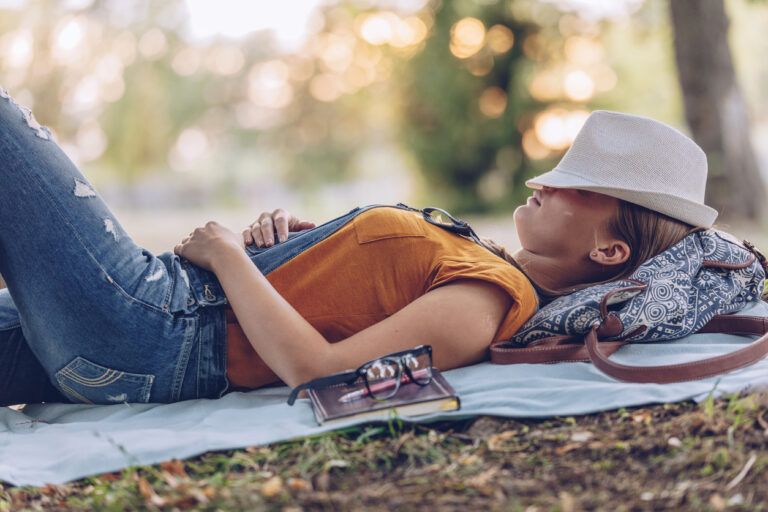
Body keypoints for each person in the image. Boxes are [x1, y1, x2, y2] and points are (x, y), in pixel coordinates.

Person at [0, 87, 717, 405]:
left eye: (578, 186)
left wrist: (227, 258)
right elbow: (344, 304)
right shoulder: (482, 258)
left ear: (611, 251)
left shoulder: (487, 301)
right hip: (135, 331)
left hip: (154, 326)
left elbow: (324, 376)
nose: (548, 182)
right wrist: (286, 254)